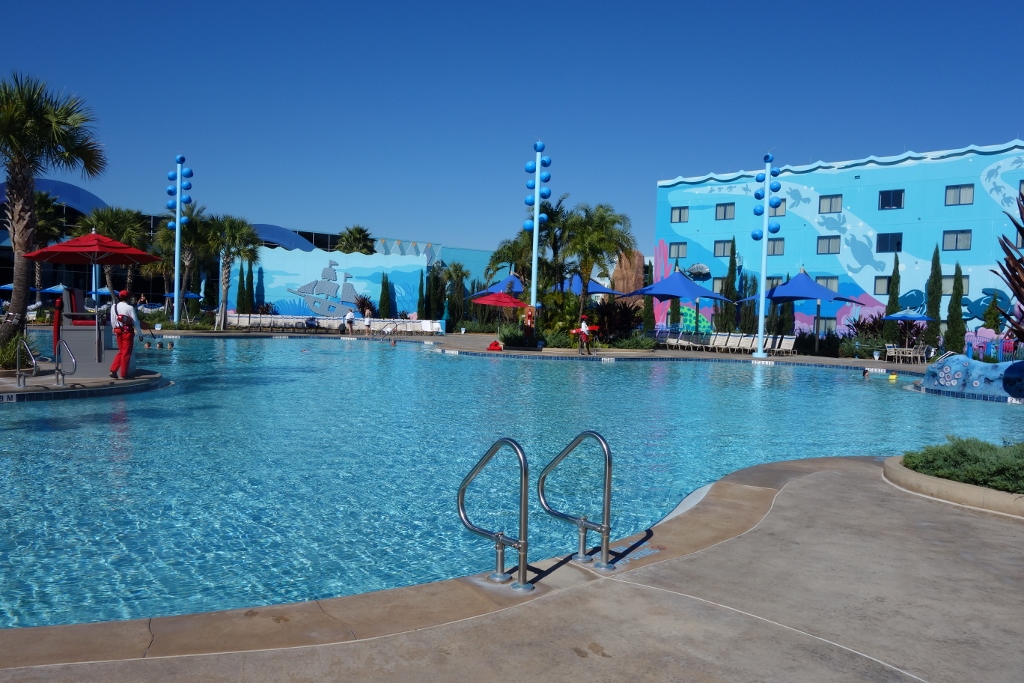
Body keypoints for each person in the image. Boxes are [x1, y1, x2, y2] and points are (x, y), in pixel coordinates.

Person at [109, 290, 140, 379]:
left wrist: (114, 328)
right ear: (128, 298)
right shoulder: (130, 308)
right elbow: (135, 322)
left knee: (122, 352)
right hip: (127, 332)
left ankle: (113, 370)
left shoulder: (113, 307)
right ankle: (123, 374)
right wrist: (140, 333)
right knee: (126, 353)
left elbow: (112, 320)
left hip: (118, 331)